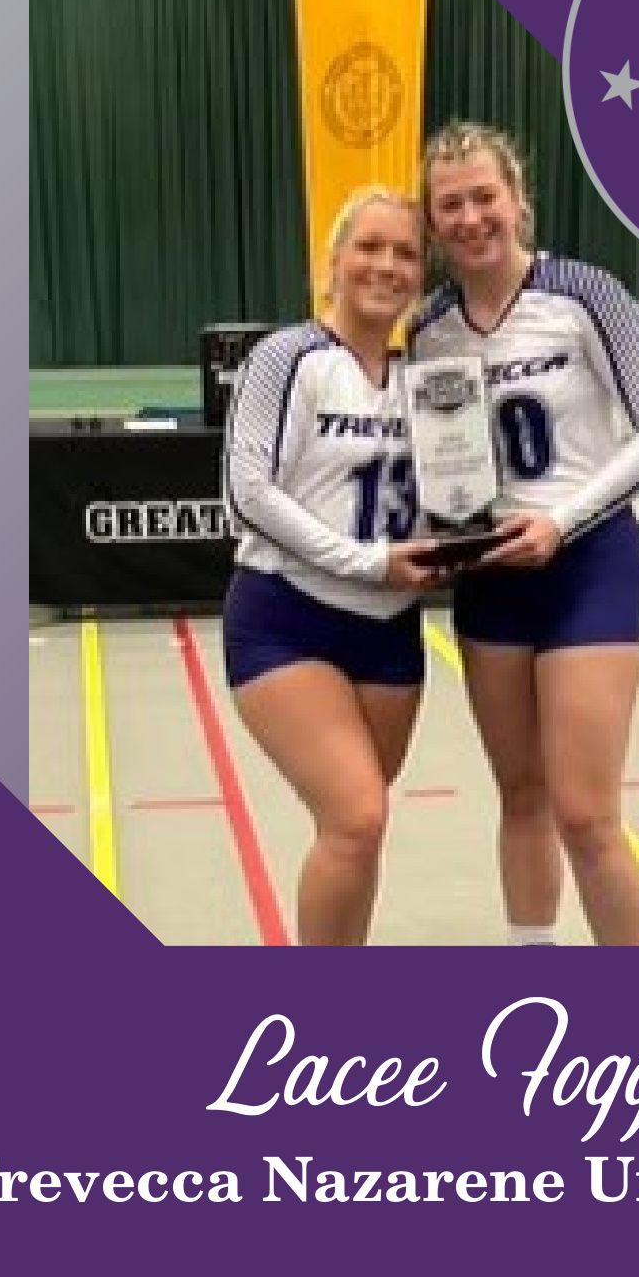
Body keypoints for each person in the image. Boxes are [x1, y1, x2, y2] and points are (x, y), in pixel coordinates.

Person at [409, 122, 639, 946]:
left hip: (587, 564)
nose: (469, 217)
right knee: (521, 794)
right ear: (433, 223)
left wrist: (563, 521)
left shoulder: (584, 295)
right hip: (493, 575)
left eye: (483, 196)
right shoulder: (431, 329)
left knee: (586, 811)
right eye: (449, 204)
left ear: (517, 200)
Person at [222, 188, 438, 946]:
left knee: (357, 830)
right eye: (370, 247)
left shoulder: (431, 378)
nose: (387, 265)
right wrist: (367, 561)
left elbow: (455, 492)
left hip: (390, 633)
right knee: (357, 814)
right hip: (288, 615)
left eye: (406, 253)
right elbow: (248, 494)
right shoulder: (288, 359)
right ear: (333, 262)